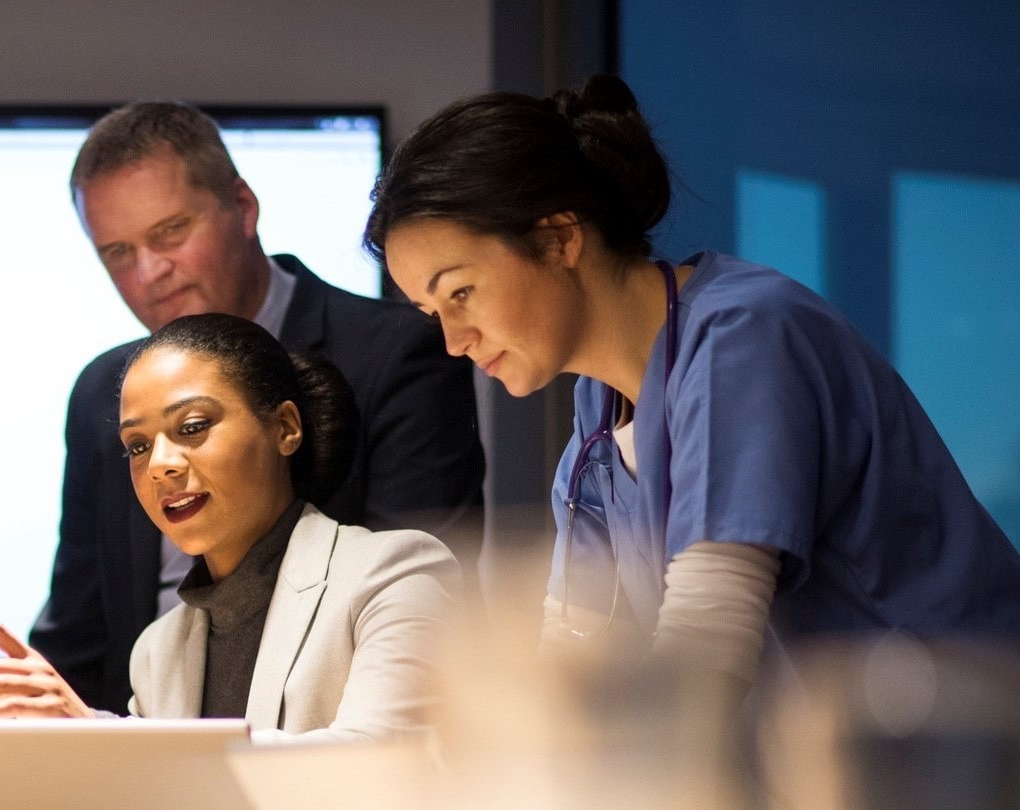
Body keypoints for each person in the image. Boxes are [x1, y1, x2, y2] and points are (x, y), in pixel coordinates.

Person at [364, 74, 1020, 693]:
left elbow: (706, 640)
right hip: (845, 771)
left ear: (559, 238)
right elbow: (571, 650)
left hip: (964, 749)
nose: (453, 340)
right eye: (432, 314)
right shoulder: (598, 421)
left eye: (462, 292)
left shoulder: (745, 336)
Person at [30, 101, 484, 713]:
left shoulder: (393, 352)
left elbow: (415, 596)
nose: (150, 272)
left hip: (338, 718)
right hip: (141, 733)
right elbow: (79, 628)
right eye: (117, 252)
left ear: (243, 208)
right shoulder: (100, 392)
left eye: (170, 232)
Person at [0, 313, 462, 747]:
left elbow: (377, 765)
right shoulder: (157, 649)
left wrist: (100, 735)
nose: (160, 464)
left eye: (191, 428)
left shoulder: (394, 574)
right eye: (137, 446)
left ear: (285, 427)